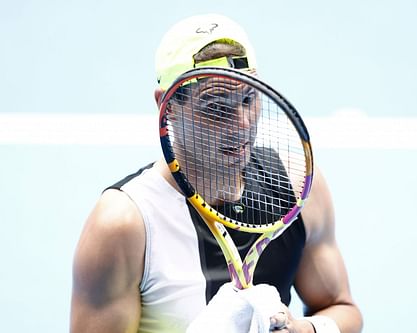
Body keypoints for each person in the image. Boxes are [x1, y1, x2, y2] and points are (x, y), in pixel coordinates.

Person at [70, 13, 363, 333]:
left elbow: (342, 308)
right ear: (166, 106)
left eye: (249, 99)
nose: (242, 125)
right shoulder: (124, 225)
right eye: (216, 107)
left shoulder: (297, 185)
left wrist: (304, 330)